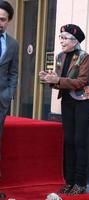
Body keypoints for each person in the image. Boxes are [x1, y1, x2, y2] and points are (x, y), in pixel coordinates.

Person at [39, 24, 89, 195]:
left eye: (65, 38)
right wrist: (48, 79)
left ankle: (80, 183)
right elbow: (59, 81)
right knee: (68, 141)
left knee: (79, 141)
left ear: (75, 40)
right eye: (60, 37)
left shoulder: (84, 57)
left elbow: (81, 82)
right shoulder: (60, 56)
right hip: (68, 101)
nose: (61, 41)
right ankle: (69, 181)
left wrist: (57, 79)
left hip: (83, 101)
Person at [0, 1, 19, 198]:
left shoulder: (13, 44)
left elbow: (14, 72)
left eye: (3, 19)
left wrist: (9, 93)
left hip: (1, 102)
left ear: (9, 21)